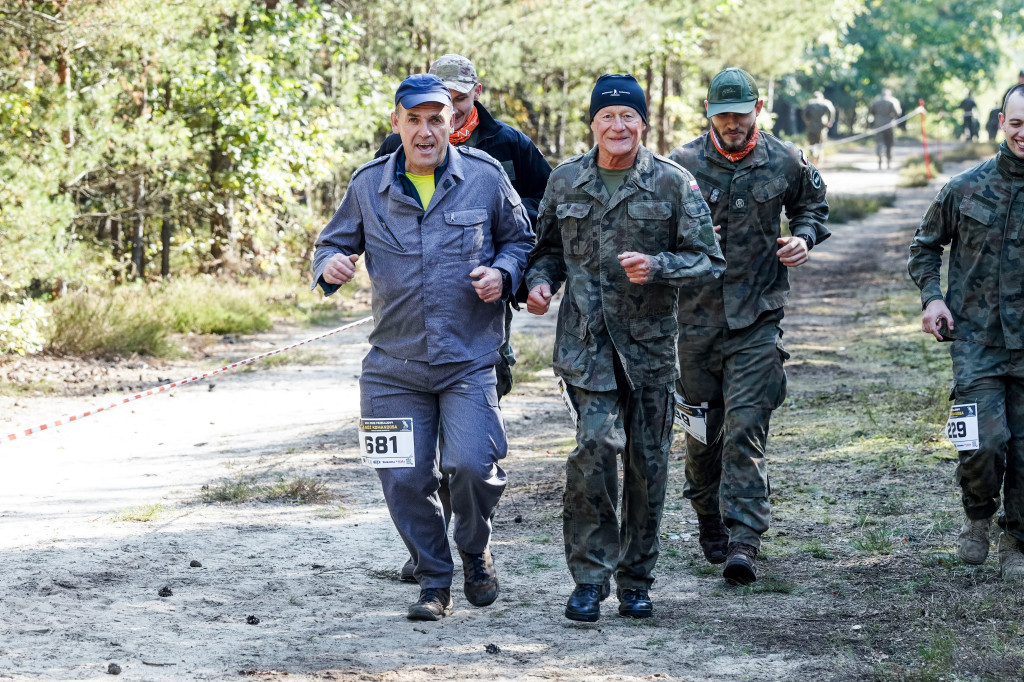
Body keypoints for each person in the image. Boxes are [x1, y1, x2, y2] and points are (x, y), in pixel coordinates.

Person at [312, 73, 534, 619]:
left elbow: (521, 239)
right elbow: (331, 243)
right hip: (393, 367)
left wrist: (504, 273)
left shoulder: (484, 177)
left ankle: (475, 550)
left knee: (472, 466)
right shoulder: (368, 185)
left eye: (436, 119)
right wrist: (331, 264)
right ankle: (434, 580)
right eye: (413, 120)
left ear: (453, 121)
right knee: (403, 479)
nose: (425, 131)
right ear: (397, 123)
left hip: (468, 360)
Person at [525, 74, 726, 621]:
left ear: (643, 122)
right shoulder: (566, 180)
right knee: (593, 451)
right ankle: (590, 580)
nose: (618, 126)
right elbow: (546, 252)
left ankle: (636, 580)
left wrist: (658, 266)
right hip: (587, 348)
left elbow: (709, 260)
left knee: (647, 465)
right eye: (607, 117)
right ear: (593, 123)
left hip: (650, 351)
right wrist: (539, 284)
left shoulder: (672, 183)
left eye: (628, 117)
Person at [375, 54, 552, 583]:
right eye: (427, 109)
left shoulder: (507, 146)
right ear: (401, 120)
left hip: (480, 314)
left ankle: (470, 538)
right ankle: (430, 550)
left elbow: (545, 206)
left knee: (469, 451)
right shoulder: (391, 151)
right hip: (407, 332)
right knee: (413, 460)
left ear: (474, 93)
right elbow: (374, 209)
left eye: (454, 99)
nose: (439, 115)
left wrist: (504, 256)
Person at [668, 67, 830, 585]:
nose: (732, 124)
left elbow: (812, 206)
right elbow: (651, 231)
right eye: (723, 116)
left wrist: (803, 237)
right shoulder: (680, 165)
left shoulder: (785, 159)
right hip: (694, 323)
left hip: (757, 318)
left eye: (740, 114)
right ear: (708, 113)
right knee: (701, 434)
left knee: (745, 429)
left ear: (757, 109)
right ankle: (708, 515)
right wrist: (688, 239)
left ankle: (744, 539)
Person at [908, 84, 1024, 583]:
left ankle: (1016, 541)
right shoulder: (965, 188)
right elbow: (924, 246)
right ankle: (978, 513)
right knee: (982, 442)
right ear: (1001, 122)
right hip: (976, 341)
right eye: (1017, 123)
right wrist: (932, 298)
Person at [868, 88, 902, 169]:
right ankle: (888, 163)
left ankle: (880, 161)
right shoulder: (892, 102)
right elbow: (897, 113)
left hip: (878, 125)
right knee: (888, 144)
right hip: (889, 125)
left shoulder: (876, 102)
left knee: (879, 143)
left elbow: (871, 111)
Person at [801, 91, 835, 164]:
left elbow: (803, 113)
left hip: (811, 127)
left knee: (812, 144)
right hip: (821, 126)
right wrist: (829, 121)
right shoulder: (825, 102)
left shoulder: (809, 103)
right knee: (820, 144)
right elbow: (831, 111)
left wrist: (807, 121)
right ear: (821, 96)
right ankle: (818, 159)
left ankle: (813, 156)